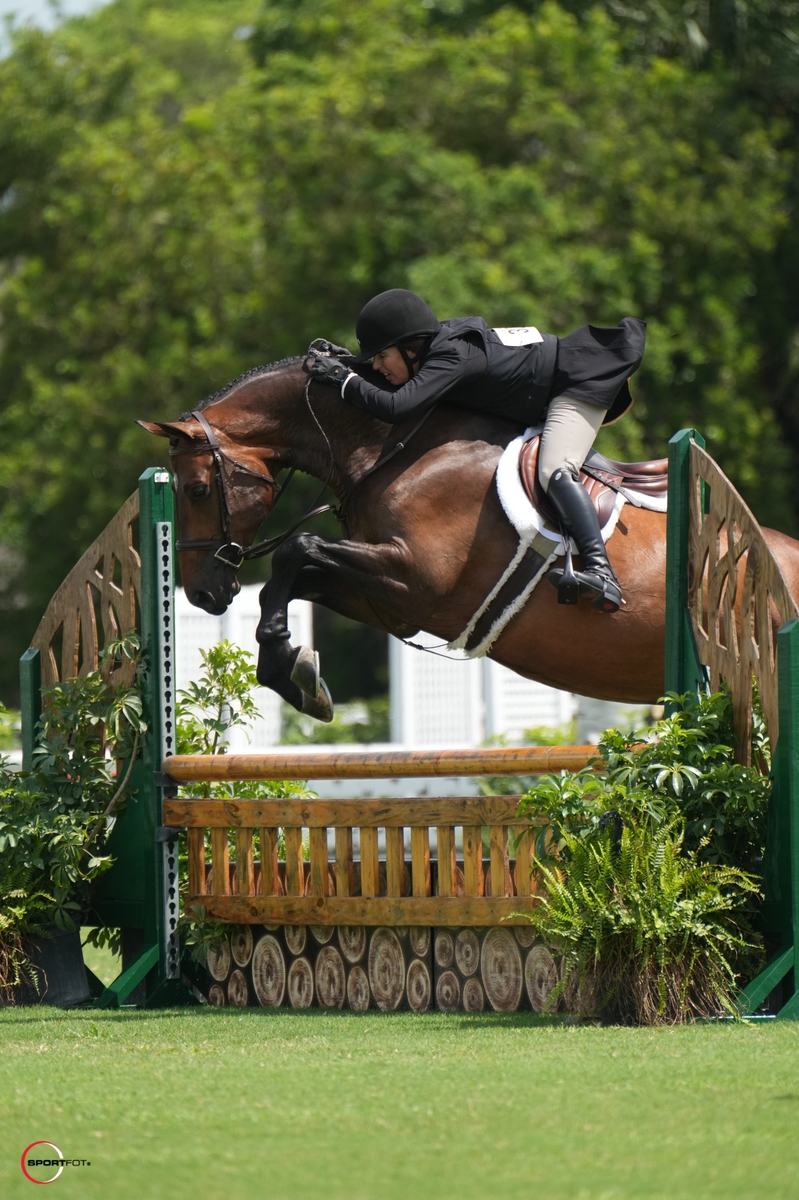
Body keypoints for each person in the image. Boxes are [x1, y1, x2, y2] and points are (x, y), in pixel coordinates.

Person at [308, 288, 645, 614]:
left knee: (553, 470)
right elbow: (405, 386)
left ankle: (602, 573)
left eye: (382, 357)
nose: (378, 366)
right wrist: (352, 365)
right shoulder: (437, 350)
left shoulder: (451, 357)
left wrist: (345, 379)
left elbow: (398, 406)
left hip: (578, 381)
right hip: (550, 386)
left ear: (410, 349)